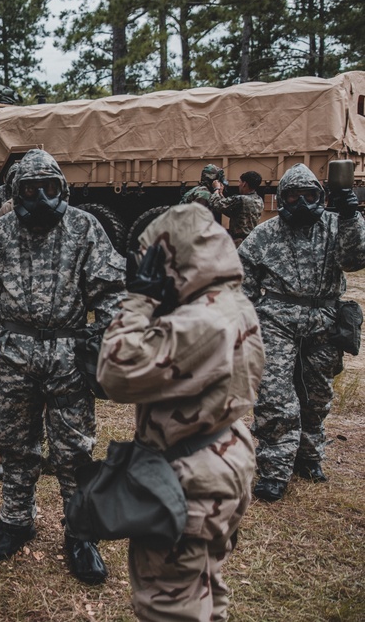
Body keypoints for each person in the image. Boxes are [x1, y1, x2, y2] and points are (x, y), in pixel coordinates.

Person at [97, 203, 263, 621]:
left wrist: (140, 300)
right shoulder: (232, 302)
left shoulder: (200, 319)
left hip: (192, 476)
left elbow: (115, 372)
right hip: (223, 455)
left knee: (170, 602)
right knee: (204, 583)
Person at [0, 149, 124, 584]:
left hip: (70, 357)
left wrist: (105, 342)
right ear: (15, 191)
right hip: (14, 355)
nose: (39, 198)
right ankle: (16, 520)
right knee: (17, 444)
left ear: (62, 189)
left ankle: (80, 534)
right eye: (29, 190)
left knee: (73, 451)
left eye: (48, 188)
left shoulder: (84, 227)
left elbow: (111, 288)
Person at [238, 163, 365, 501]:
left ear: (320, 196)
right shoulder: (265, 234)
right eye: (293, 196)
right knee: (276, 399)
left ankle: (308, 459)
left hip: (323, 320)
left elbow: (354, 261)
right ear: (282, 198)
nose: (301, 203)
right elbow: (241, 285)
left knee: (316, 397)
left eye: (309, 195)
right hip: (276, 322)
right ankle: (274, 471)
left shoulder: (336, 225)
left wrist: (352, 216)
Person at [210, 170, 264, 245]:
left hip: (239, 242)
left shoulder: (240, 199)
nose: (239, 185)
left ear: (244, 184)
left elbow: (216, 205)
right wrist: (221, 194)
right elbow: (232, 212)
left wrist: (216, 189)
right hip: (252, 241)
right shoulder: (258, 199)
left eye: (240, 182)